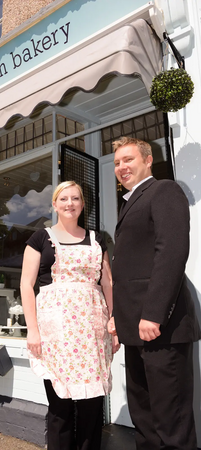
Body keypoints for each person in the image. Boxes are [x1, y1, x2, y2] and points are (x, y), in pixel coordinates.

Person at [108, 136, 201, 450]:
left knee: (170, 420)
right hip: (135, 329)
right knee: (144, 418)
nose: (122, 167)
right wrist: (118, 320)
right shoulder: (129, 202)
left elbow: (171, 252)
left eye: (128, 159)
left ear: (148, 160)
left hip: (161, 327)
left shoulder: (163, 190)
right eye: (118, 162)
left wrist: (153, 314)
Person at [21, 180, 120, 450]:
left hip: (92, 331)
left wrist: (113, 321)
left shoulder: (97, 239)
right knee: (60, 407)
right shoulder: (40, 238)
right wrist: (32, 329)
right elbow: (26, 285)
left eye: (75, 198)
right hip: (56, 334)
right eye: (64, 199)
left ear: (82, 204)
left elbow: (108, 283)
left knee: (91, 406)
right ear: (54, 204)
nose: (70, 204)